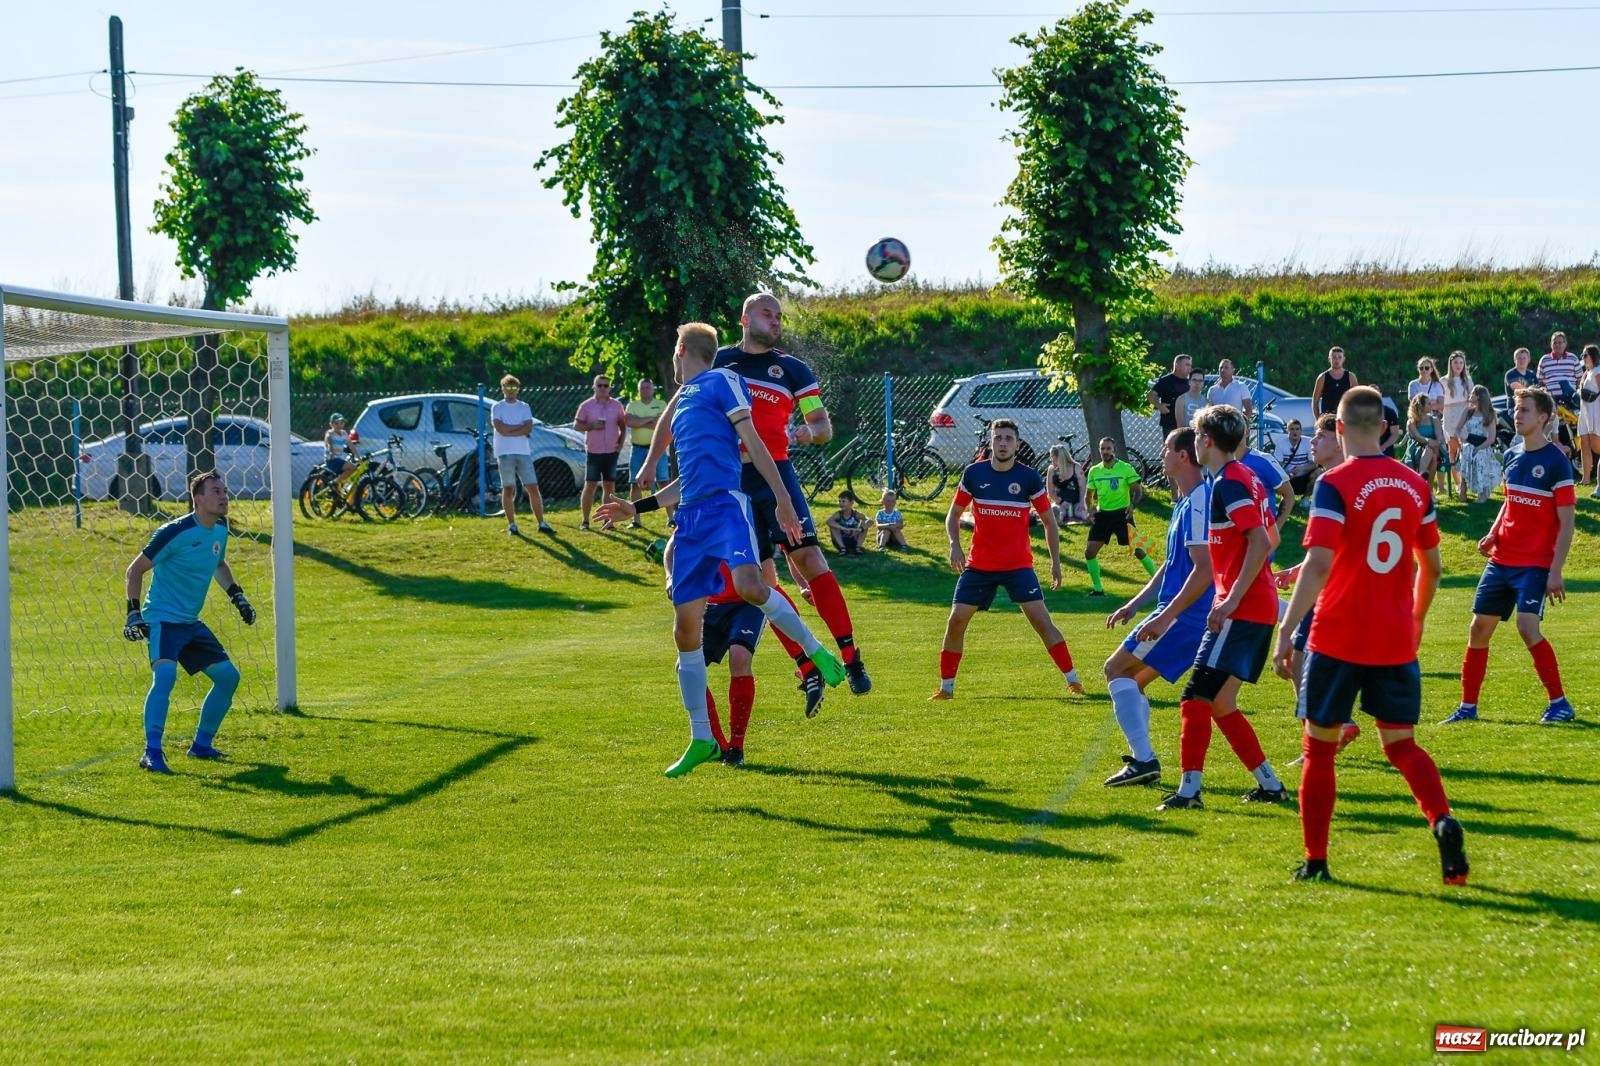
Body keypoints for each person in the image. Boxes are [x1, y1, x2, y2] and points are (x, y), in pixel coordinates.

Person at [599, 322, 844, 777]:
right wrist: (634, 509)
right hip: (691, 518)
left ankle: (814, 650)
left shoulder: (721, 380)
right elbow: (686, 483)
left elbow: (754, 443)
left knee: (751, 586)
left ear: (681, 350)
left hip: (727, 508)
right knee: (684, 632)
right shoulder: (686, 400)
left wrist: (785, 500)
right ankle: (701, 739)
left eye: (673, 353)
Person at [1272, 386, 1467, 885]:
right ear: (1383, 427)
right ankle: (1442, 819)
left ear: (1339, 428)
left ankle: (1316, 861)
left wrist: (1287, 629)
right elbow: (1434, 567)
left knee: (1318, 748)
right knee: (1402, 745)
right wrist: (1417, 618)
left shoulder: (1334, 484)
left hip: (1337, 636)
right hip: (1394, 637)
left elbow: (1318, 564)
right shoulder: (1415, 484)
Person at [642, 292, 870, 696]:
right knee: (763, 580)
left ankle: (851, 657)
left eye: (780, 316)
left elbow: (822, 425)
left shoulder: (794, 370)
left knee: (809, 557)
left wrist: (809, 432)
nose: (777, 320)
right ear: (745, 319)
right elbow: (676, 408)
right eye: (768, 314)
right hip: (731, 483)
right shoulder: (720, 362)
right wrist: (649, 464)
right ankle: (807, 663)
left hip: (776, 474)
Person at [1157, 404, 1288, 812]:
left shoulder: (1228, 484)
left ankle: (1189, 791)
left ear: (1207, 441)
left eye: (1196, 435)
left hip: (1241, 608)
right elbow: (1270, 537)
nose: (1193, 442)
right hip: (1253, 605)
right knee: (1220, 703)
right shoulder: (1244, 477)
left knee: (1194, 698)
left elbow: (1262, 542)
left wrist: (1230, 597)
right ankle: (1270, 785)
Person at [1444, 386, 1577, 726]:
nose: (1517, 415)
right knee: (1478, 628)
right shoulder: (1513, 455)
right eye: (1516, 410)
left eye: (1525, 410)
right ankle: (1467, 708)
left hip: (1534, 563)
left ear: (1544, 417)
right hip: (1502, 559)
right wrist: (1493, 530)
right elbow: (1510, 501)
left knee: (1526, 626)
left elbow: (1567, 522)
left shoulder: (1556, 462)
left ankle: (1560, 703)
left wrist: (1556, 571)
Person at [932, 418, 1082, 700]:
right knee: (956, 621)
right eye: (998, 438)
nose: (1002, 443)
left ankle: (1073, 680)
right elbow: (952, 515)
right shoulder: (974, 474)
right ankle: (946, 688)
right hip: (979, 565)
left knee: (1041, 621)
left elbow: (1049, 522)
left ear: (1016, 443)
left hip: (1018, 565)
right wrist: (954, 545)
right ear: (991, 442)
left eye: (1008, 439)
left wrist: (1056, 562)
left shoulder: (1028, 478)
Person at [121, 471, 256, 774]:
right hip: (163, 621)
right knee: (165, 678)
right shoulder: (174, 531)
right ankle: (151, 753)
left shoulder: (220, 530)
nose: (224, 496)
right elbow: (135, 570)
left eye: (225, 490)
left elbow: (218, 563)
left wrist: (238, 597)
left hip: (189, 623)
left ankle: (201, 746)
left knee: (228, 678)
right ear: (198, 499)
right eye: (216, 491)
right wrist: (133, 614)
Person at [1100, 427, 1212, 788]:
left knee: (1115, 669)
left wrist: (1165, 616)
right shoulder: (1185, 502)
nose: (1161, 454)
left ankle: (1144, 759)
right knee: (1131, 679)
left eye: (1166, 448)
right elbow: (1171, 565)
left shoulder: (1199, 501)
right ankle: (1144, 759)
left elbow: (1204, 567)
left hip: (1184, 616)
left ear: (1183, 456)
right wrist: (1134, 604)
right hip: (1180, 613)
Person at [1276, 414, 1361, 766]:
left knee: (1303, 659)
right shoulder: (1335, 478)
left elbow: (1340, 546)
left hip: (1333, 589)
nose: (1312, 442)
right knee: (1300, 659)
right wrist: (1298, 570)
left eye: (1320, 436)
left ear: (1337, 438)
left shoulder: (1335, 481)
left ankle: (1328, 732)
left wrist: (1308, 573)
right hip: (1331, 582)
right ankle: (1333, 727)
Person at [1083, 437, 1154, 596]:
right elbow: (1088, 495)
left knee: (1139, 551)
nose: (1105, 452)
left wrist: (1132, 505)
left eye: (1108, 448)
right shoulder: (1095, 471)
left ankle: (1159, 582)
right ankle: (1098, 589)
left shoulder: (1126, 468)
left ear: (1114, 450)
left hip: (1122, 515)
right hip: (1103, 516)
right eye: (1102, 449)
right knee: (1089, 552)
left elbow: (1138, 490)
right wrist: (1090, 510)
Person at [491, 375, 552, 536]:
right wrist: (517, 429)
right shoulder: (497, 407)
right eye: (508, 387)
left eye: (514, 388)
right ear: (502, 388)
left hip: (523, 452)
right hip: (505, 453)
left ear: (518, 389)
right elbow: (500, 428)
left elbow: (528, 428)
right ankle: (512, 525)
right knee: (508, 488)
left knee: (532, 487)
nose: (511, 391)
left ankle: (542, 523)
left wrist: (510, 429)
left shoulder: (524, 406)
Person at [573, 373, 627, 531]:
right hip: (594, 451)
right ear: (594, 387)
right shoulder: (586, 405)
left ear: (610, 388)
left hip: (611, 451)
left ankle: (608, 521)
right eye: (599, 385)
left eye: (606, 385)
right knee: (590, 485)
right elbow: (576, 426)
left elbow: (623, 426)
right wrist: (591, 426)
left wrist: (621, 443)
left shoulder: (616, 405)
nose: (603, 388)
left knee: (609, 486)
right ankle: (585, 521)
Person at [625, 379, 670, 526]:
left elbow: (662, 424)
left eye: (648, 387)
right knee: (635, 483)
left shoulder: (662, 404)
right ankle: (636, 520)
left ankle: (671, 518)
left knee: (664, 482)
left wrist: (640, 421)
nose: (645, 390)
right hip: (637, 449)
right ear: (638, 390)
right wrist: (651, 418)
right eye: (642, 388)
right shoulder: (632, 405)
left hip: (658, 448)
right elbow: (629, 422)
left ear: (653, 389)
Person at [1456, 385, 1500, 505]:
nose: (1470, 396)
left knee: (1479, 455)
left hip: (1483, 444)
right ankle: (1463, 488)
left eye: (1472, 394)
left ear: (1479, 397)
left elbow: (1491, 439)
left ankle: (1483, 493)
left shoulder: (1489, 414)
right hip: (1469, 442)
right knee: (1466, 451)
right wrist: (1461, 440)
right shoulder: (1468, 411)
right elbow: (1458, 428)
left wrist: (1478, 448)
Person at [1440, 350, 1474, 493]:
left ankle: (1467, 481)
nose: (1458, 365)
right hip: (1450, 416)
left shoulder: (1468, 380)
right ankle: (1458, 483)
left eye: (1461, 362)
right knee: (1452, 450)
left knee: (1466, 449)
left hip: (1465, 415)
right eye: (1455, 362)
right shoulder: (1443, 381)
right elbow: (1441, 403)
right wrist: (1448, 414)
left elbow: (1473, 400)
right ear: (1450, 364)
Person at [1239, 439, 1295, 522]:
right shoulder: (1216, 463)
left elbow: (1288, 495)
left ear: (1247, 431)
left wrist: (1276, 528)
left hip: (1263, 530)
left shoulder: (1264, 459)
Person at [1148, 353, 1192, 437]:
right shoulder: (1166, 381)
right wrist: (1159, 405)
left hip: (1188, 424)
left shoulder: (1190, 382)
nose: (1189, 368)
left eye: (1190, 365)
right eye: (1187, 365)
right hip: (1170, 425)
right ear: (1177, 365)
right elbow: (1151, 396)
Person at [1575, 343, 1600, 490]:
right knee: (1584, 444)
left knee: (1596, 446)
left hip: (1595, 411)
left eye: (1585, 355)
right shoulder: (1586, 372)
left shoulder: (1598, 371)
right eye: (1582, 355)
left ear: (1593, 356)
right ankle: (1585, 479)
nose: (1583, 358)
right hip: (1584, 411)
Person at [1402, 393, 1442, 483]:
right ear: (1421, 406)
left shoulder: (1434, 420)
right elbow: (1418, 438)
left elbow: (1439, 438)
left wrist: (1434, 443)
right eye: (1428, 403)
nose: (1431, 405)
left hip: (1434, 447)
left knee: (1432, 452)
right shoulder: (1412, 422)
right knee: (1433, 457)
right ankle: (1428, 489)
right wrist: (1429, 441)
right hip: (1416, 448)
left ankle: (1421, 476)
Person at [1044, 445, 1087, 526]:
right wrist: (1061, 502)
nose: (1050, 459)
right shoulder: (1052, 469)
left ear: (1058, 457)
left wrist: (1082, 502)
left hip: (1077, 501)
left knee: (1081, 513)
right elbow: (1050, 491)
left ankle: (1088, 517)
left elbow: (1083, 487)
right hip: (1061, 502)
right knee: (1056, 510)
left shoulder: (1076, 467)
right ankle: (1058, 518)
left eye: (1052, 457)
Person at [1309, 346, 1358, 419]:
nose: (1337, 360)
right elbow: (1315, 401)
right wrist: (1318, 419)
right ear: (1329, 359)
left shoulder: (1351, 377)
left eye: (1339, 357)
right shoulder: (1322, 377)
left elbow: (1357, 399)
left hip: (1345, 419)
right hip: (1327, 419)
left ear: (1343, 359)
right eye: (1334, 357)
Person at [1537, 331, 1582, 405]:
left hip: (1570, 399)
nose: (1557, 345)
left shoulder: (1573, 358)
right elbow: (1540, 381)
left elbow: (1580, 379)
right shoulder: (1544, 359)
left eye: (1560, 342)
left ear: (1565, 344)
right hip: (1550, 400)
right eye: (1555, 343)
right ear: (1551, 344)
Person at [1274, 419, 1316, 498]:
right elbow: (1277, 465)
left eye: (1297, 429)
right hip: (1288, 477)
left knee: (1318, 472)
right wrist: (1285, 475)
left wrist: (1301, 469)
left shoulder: (1308, 442)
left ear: (1301, 431)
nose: (1295, 432)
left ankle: (1306, 499)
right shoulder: (1281, 444)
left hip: (1304, 475)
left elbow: (1314, 463)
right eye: (1292, 429)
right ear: (1287, 431)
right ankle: (1286, 497)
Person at [323, 413, 356, 478]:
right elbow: (330, 444)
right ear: (331, 424)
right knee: (353, 467)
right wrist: (332, 453)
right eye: (336, 423)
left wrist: (358, 457)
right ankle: (335, 483)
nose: (339, 425)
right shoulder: (330, 433)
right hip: (332, 461)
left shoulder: (344, 433)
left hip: (339, 460)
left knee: (352, 470)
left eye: (341, 423)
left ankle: (339, 483)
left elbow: (351, 445)